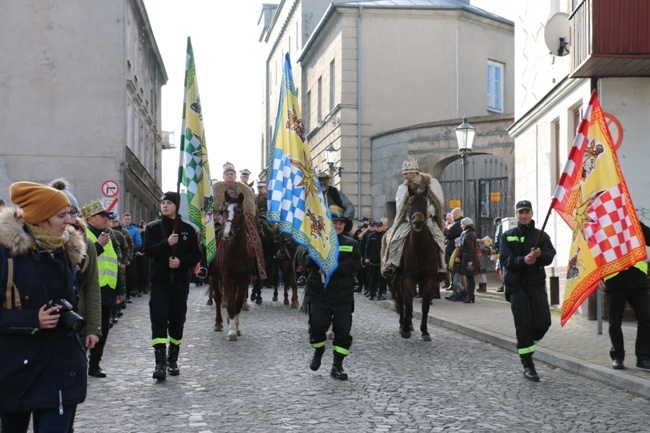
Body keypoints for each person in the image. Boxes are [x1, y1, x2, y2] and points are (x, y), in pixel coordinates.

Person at [0, 182, 87, 432]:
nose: (69, 221)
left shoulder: (63, 249)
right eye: (62, 215)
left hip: (61, 370)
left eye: (70, 214)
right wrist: (31, 320)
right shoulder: (6, 253)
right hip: (17, 372)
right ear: (40, 218)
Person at [144, 191, 201, 381]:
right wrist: (166, 244)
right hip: (159, 282)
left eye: (169, 203)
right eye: (163, 203)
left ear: (176, 206)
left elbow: (195, 255)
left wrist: (181, 262)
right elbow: (149, 251)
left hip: (179, 282)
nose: (165, 206)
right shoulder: (153, 228)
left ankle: (172, 359)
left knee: (177, 320)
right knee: (158, 320)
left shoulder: (187, 230)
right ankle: (159, 363)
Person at [499, 200, 556, 382]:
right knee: (523, 324)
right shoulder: (507, 236)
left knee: (544, 322)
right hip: (517, 287)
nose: (523, 215)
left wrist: (540, 256)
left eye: (526, 212)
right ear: (516, 215)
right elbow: (506, 260)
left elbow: (550, 256)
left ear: (531, 214)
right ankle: (528, 364)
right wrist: (523, 260)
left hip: (536, 285)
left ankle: (527, 342)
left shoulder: (542, 235)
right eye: (520, 212)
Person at [303, 212, 360, 381]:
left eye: (341, 223)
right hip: (320, 293)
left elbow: (353, 264)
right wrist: (317, 260)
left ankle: (337, 366)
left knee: (343, 330)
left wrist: (331, 268)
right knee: (318, 325)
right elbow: (305, 260)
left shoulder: (352, 244)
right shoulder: (316, 241)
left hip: (342, 294)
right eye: (334, 222)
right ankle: (318, 350)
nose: (338, 225)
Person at [382, 159, 446, 282]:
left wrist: (430, 212)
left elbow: (438, 201)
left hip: (427, 218)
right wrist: (409, 218)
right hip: (409, 220)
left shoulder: (432, 183)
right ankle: (392, 264)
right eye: (404, 174)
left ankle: (442, 267)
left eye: (407, 173)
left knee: (439, 239)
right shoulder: (403, 187)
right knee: (394, 238)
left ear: (413, 172)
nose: (405, 176)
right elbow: (400, 206)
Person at [598, 220, 650, 370]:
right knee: (615, 322)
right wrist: (596, 277)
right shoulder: (603, 225)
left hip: (638, 281)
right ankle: (618, 357)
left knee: (646, 318)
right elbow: (593, 253)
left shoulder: (634, 222)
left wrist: (636, 223)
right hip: (615, 281)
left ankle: (643, 358)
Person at [81, 199, 124, 378]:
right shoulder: (83, 236)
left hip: (106, 289)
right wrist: (98, 245)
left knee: (103, 329)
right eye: (102, 216)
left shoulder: (109, 235)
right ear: (91, 219)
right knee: (86, 327)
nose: (106, 219)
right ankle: (80, 363)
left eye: (107, 217)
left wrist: (119, 289)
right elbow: (83, 261)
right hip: (88, 290)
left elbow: (114, 263)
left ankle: (95, 364)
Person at [456, 217, 479, 304]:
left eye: (462, 224)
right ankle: (470, 296)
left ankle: (470, 296)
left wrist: (469, 260)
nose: (461, 226)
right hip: (468, 258)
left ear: (466, 224)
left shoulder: (469, 234)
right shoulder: (469, 233)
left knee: (470, 278)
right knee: (469, 278)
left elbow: (469, 248)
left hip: (469, 259)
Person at [122, 212, 143, 298]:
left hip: (131, 256)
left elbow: (138, 243)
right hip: (121, 255)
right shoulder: (119, 229)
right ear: (123, 220)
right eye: (126, 219)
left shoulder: (135, 230)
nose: (127, 221)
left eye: (129, 219)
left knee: (130, 275)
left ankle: (128, 294)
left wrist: (131, 250)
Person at [365, 220, 387, 301]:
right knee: (372, 278)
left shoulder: (384, 236)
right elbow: (367, 248)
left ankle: (380, 294)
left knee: (381, 279)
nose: (378, 228)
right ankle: (371, 293)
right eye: (377, 227)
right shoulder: (371, 236)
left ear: (382, 227)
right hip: (372, 261)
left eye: (380, 227)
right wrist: (366, 257)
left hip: (382, 260)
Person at [443, 208, 463, 290]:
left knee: (454, 269)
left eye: (453, 214)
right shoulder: (457, 223)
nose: (452, 217)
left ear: (456, 214)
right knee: (452, 269)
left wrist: (446, 230)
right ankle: (453, 285)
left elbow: (449, 234)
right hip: (452, 250)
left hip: (455, 251)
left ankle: (457, 289)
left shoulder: (458, 224)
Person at [492, 217, 504, 292]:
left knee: (500, 268)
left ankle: (504, 285)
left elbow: (497, 237)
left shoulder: (500, 226)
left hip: (501, 251)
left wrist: (495, 248)